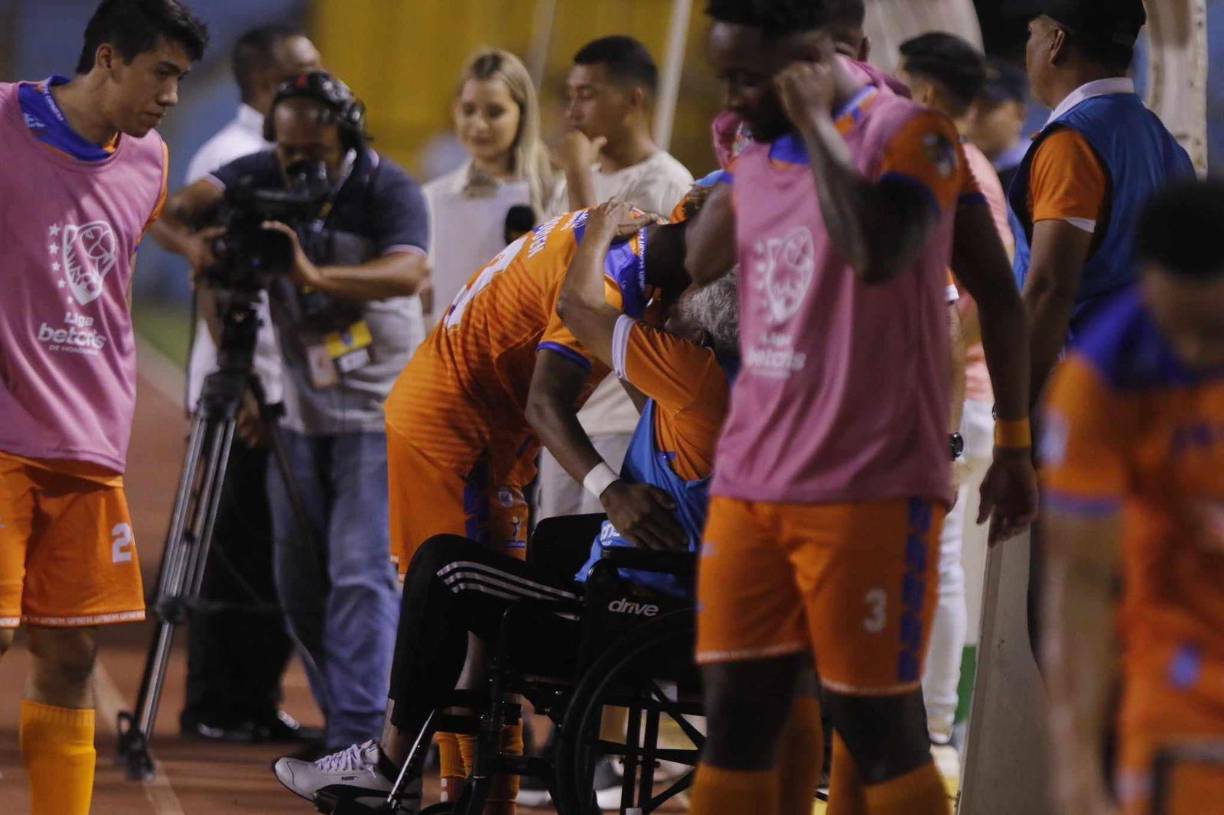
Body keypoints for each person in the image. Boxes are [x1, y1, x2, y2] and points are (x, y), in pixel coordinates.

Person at [272, 197, 739, 813]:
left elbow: (573, 326)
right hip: (629, 568)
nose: (656, 317)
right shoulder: (709, 373)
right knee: (511, 588)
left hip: (616, 589)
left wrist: (600, 225)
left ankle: (394, 769)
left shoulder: (685, 367)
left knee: (449, 582)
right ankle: (464, 793)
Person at [687, 2, 1039, 814]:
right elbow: (702, 260)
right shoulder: (760, 138)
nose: (732, 98)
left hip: (868, 484)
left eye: (746, 78)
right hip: (752, 480)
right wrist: (747, 155)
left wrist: (1015, 444)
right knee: (736, 721)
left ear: (814, 53)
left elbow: (887, 253)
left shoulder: (912, 135)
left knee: (879, 728)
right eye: (724, 78)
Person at [381, 193, 696, 807]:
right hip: (456, 429)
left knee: (482, 633)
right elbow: (548, 401)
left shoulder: (633, 246)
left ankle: (455, 790)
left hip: (490, 428)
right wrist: (613, 489)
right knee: (462, 622)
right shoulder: (613, 282)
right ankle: (405, 779)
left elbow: (640, 380)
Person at [154, 71, 430, 751]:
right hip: (298, 413)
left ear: (347, 134)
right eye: (287, 149)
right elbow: (165, 210)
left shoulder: (386, 187)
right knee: (298, 584)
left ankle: (361, 737)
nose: (297, 162)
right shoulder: (257, 172)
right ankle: (351, 723)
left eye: (313, 150)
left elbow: (409, 272)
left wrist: (313, 275)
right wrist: (196, 246)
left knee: (361, 573)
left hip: (378, 412)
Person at [0, 2, 207, 813]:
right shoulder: (4, 119)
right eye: (162, 73)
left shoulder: (149, 160)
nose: (172, 96)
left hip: (88, 446)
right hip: (4, 434)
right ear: (110, 58)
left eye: (181, 79)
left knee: (71, 656)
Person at [1014, 0, 1195, 658]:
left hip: (1085, 413)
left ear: (1056, 42)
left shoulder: (1073, 144)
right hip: (1156, 413)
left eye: (1032, 32)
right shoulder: (1165, 145)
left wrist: (1015, 426)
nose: (1028, 46)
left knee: (1065, 627)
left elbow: (1049, 289)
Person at [1042, 180, 1224, 815]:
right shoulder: (1101, 376)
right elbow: (1081, 583)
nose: (1194, 353)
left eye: (1213, 334)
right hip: (1179, 670)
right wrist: (1075, 764)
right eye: (1179, 332)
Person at [167, 22, 322, 747]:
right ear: (268, 82)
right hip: (244, 393)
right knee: (232, 551)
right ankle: (215, 704)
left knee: (272, 554)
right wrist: (252, 387)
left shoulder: (295, 155)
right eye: (306, 70)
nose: (322, 81)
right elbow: (214, 276)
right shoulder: (229, 158)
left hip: (287, 388)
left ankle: (253, 700)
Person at [895, 30, 1019, 750]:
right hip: (953, 394)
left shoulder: (960, 167)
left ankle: (935, 720)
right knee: (926, 560)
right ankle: (929, 717)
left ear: (929, 93)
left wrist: (944, 356)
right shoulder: (956, 164)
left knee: (934, 562)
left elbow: (996, 285)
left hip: (956, 398)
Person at [538, 35, 694, 533]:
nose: (573, 111)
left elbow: (594, 278)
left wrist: (578, 172)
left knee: (594, 557)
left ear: (633, 100)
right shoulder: (571, 181)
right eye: (570, 95)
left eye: (587, 95)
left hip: (620, 416)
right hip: (563, 410)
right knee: (548, 553)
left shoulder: (668, 184)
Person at [422, 50, 558, 327]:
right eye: (468, 110)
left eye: (495, 112)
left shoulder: (553, 194)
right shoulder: (432, 197)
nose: (478, 124)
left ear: (522, 115)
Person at [965, 58, 1029, 192]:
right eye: (968, 105)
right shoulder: (955, 171)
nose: (972, 116)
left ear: (1019, 114)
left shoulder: (1039, 169)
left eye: (987, 107)